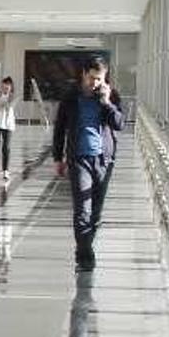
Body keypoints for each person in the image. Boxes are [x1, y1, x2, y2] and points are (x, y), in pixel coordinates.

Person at [52, 55, 124, 271]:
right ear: (83, 74)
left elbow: (120, 124)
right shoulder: (70, 97)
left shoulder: (111, 96)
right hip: (78, 158)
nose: (95, 83)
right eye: (92, 78)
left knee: (96, 214)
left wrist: (107, 103)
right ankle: (85, 257)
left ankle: (83, 248)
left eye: (99, 79)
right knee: (82, 210)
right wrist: (58, 157)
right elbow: (60, 128)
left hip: (104, 160)